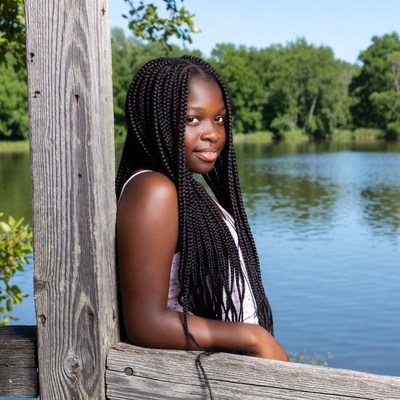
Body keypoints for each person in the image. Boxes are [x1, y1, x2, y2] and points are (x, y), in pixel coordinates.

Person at [116, 55, 288, 362]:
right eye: (192, 119)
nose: (213, 133)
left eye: (219, 119)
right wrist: (253, 337)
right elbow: (146, 323)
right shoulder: (154, 191)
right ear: (155, 119)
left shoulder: (179, 186)